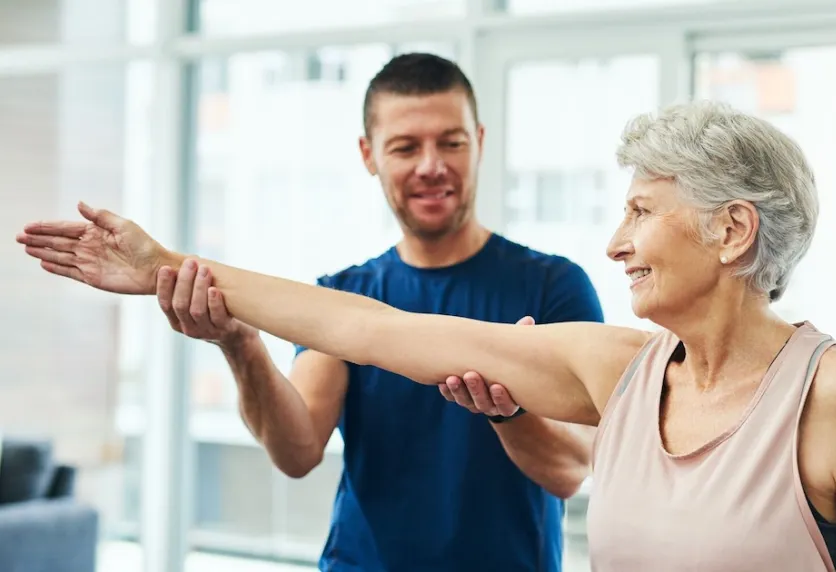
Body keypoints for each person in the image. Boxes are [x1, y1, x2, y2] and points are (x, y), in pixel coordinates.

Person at [16, 99, 836, 571]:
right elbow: (368, 327)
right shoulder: (616, 367)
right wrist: (167, 266)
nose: (616, 240)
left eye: (641, 211)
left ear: (730, 229)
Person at [124, 52, 606, 571]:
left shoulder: (553, 286)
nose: (431, 165)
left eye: (452, 142)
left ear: (480, 142)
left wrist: (507, 412)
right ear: (368, 154)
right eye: (405, 147)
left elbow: (571, 469)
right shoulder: (345, 294)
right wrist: (241, 346)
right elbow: (297, 451)